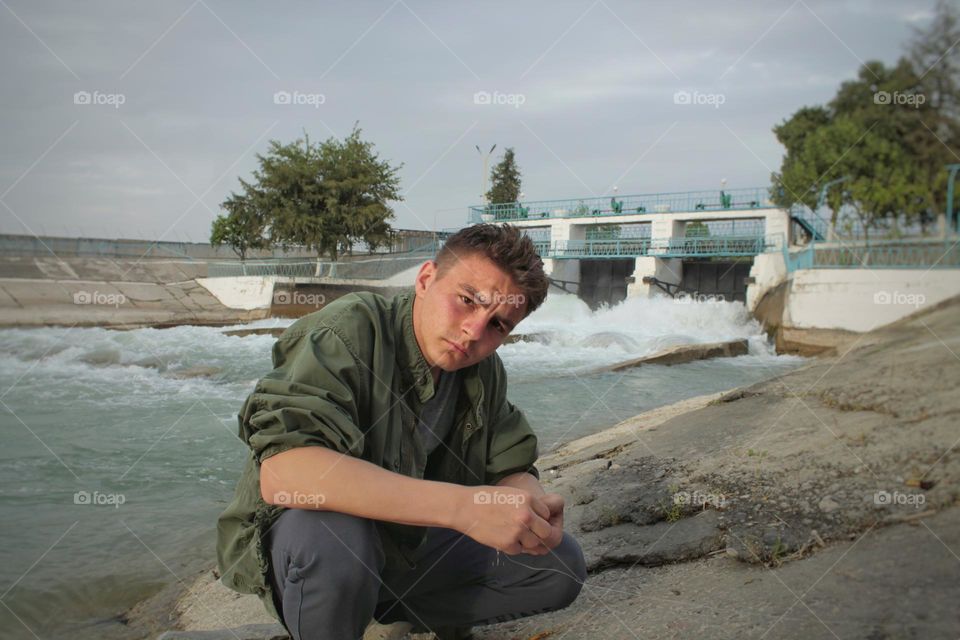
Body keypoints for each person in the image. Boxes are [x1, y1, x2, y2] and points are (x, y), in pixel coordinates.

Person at [216, 224, 586, 640]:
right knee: (338, 540)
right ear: (426, 279)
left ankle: (381, 613)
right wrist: (463, 507)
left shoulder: (483, 369)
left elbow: (510, 466)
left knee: (559, 564)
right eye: (467, 301)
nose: (474, 331)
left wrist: (528, 505)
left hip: (406, 549)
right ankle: (332, 614)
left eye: (498, 324)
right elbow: (286, 474)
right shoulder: (349, 331)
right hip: (314, 546)